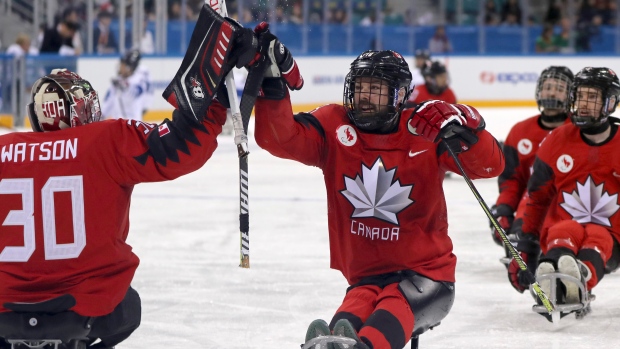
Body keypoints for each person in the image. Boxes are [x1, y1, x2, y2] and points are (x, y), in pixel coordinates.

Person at [0, 5, 256, 348]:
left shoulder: (4, 148)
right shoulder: (105, 140)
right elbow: (182, 145)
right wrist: (212, 81)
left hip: (5, 306)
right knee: (128, 307)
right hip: (84, 303)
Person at [251, 25, 505, 349]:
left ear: (399, 94)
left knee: (389, 310)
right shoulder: (334, 126)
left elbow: (491, 166)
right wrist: (271, 84)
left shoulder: (423, 130)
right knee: (346, 324)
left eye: (376, 88)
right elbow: (277, 137)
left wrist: (466, 125)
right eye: (360, 87)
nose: (365, 96)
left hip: (426, 276)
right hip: (365, 279)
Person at [509, 67, 620, 314]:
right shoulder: (557, 139)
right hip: (565, 225)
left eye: (593, 97)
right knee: (562, 230)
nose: (584, 104)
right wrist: (526, 246)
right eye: (580, 96)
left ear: (610, 103)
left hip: (612, 236)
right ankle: (552, 275)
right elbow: (538, 199)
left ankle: (580, 277)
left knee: (597, 237)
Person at [491, 66, 573, 247]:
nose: (552, 93)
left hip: (571, 207)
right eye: (548, 87)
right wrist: (504, 208)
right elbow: (511, 180)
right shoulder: (520, 131)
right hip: (531, 205)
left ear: (571, 95)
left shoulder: (580, 132)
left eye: (559, 89)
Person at [101, 49, 153, 121]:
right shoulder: (117, 81)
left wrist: (125, 86)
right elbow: (109, 101)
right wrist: (101, 116)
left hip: (134, 126)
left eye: (122, 65)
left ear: (129, 68)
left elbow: (134, 93)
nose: (120, 67)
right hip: (117, 125)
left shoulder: (139, 80)